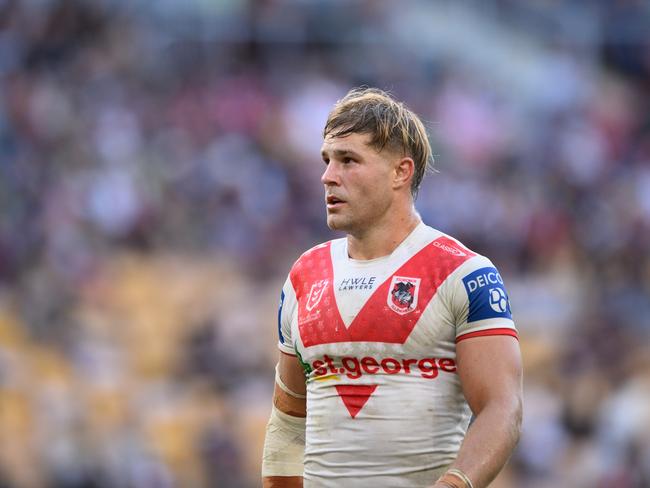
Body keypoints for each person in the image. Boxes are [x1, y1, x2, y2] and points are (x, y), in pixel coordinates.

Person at [261, 87, 522, 488]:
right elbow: (288, 420)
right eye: (327, 160)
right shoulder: (304, 275)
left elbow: (501, 408)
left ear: (401, 171)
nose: (328, 176)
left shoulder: (464, 273)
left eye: (349, 160)